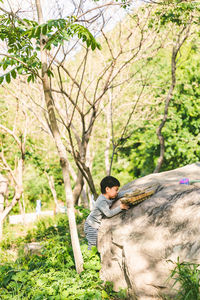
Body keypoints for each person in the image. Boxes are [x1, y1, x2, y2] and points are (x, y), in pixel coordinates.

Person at [84, 176, 130, 250]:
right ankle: (90, 257)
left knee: (96, 243)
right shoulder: (102, 201)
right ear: (107, 189)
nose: (117, 192)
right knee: (93, 244)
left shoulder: (112, 196)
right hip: (91, 226)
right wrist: (121, 207)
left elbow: (121, 194)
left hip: (95, 224)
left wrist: (133, 191)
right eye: (116, 190)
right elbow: (109, 214)